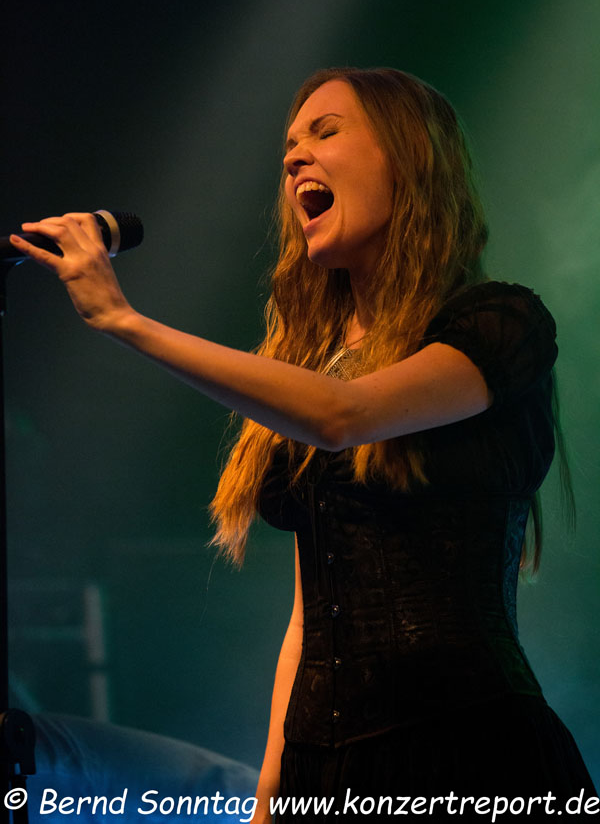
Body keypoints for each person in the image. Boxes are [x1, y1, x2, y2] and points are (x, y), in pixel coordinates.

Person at [12, 67, 597, 822]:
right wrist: (270, 792)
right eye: (289, 144)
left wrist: (124, 321)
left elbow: (344, 416)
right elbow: (308, 621)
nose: (293, 157)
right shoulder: (311, 366)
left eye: (326, 132)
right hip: (326, 768)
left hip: (466, 750)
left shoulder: (500, 323)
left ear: (411, 157)